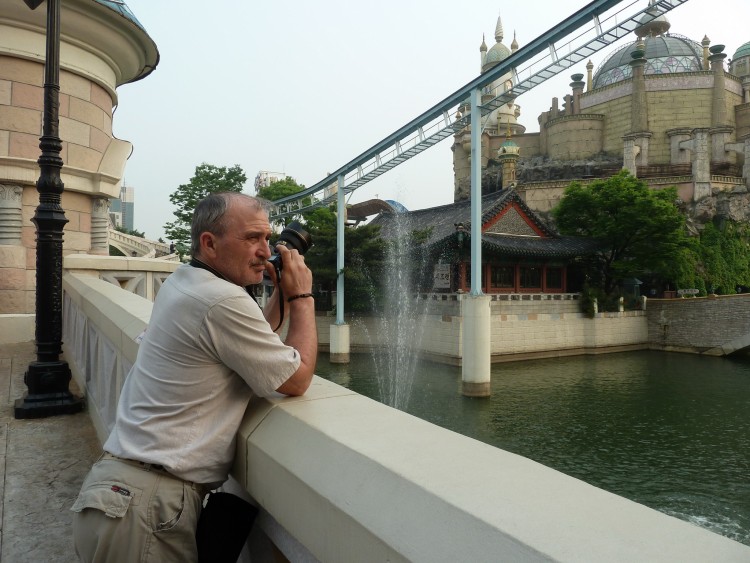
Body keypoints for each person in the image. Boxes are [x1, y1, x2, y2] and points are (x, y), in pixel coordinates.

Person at [70, 192, 317, 562]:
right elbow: (295, 379)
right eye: (252, 238)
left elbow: (255, 350)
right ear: (210, 243)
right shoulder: (222, 300)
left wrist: (280, 290)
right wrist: (302, 297)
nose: (266, 251)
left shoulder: (185, 281)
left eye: (268, 239)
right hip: (148, 508)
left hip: (121, 493)